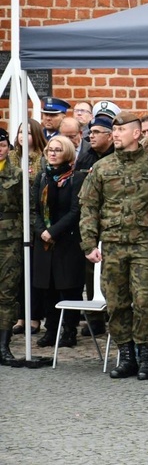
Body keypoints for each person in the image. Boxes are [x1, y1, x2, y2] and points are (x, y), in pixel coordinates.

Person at [79, 112, 148, 380]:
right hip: (112, 244)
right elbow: (88, 207)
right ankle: (126, 355)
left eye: (121, 131)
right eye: (114, 131)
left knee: (145, 301)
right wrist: (88, 242)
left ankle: (146, 357)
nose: (116, 135)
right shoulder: (102, 168)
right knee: (117, 303)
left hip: (144, 244)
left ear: (137, 134)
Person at [31, 136, 87, 348]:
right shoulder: (42, 177)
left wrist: (53, 232)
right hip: (44, 242)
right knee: (48, 289)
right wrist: (42, 231)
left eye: (57, 150)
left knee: (69, 288)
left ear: (68, 153)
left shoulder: (76, 178)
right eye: (49, 150)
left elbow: (75, 211)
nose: (52, 153)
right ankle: (51, 331)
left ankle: (69, 331)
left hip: (67, 241)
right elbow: (34, 210)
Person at [11, 119, 47, 335]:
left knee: (33, 271)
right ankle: (19, 316)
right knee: (16, 272)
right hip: (14, 221)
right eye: (21, 132)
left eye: (29, 132)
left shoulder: (42, 159)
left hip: (34, 220)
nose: (24, 136)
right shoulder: (11, 158)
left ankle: (34, 316)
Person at [0, 128, 22, 365]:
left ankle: (4, 346)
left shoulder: (17, 174)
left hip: (9, 240)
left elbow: (27, 207)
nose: (0, 150)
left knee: (7, 293)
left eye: (3, 145)